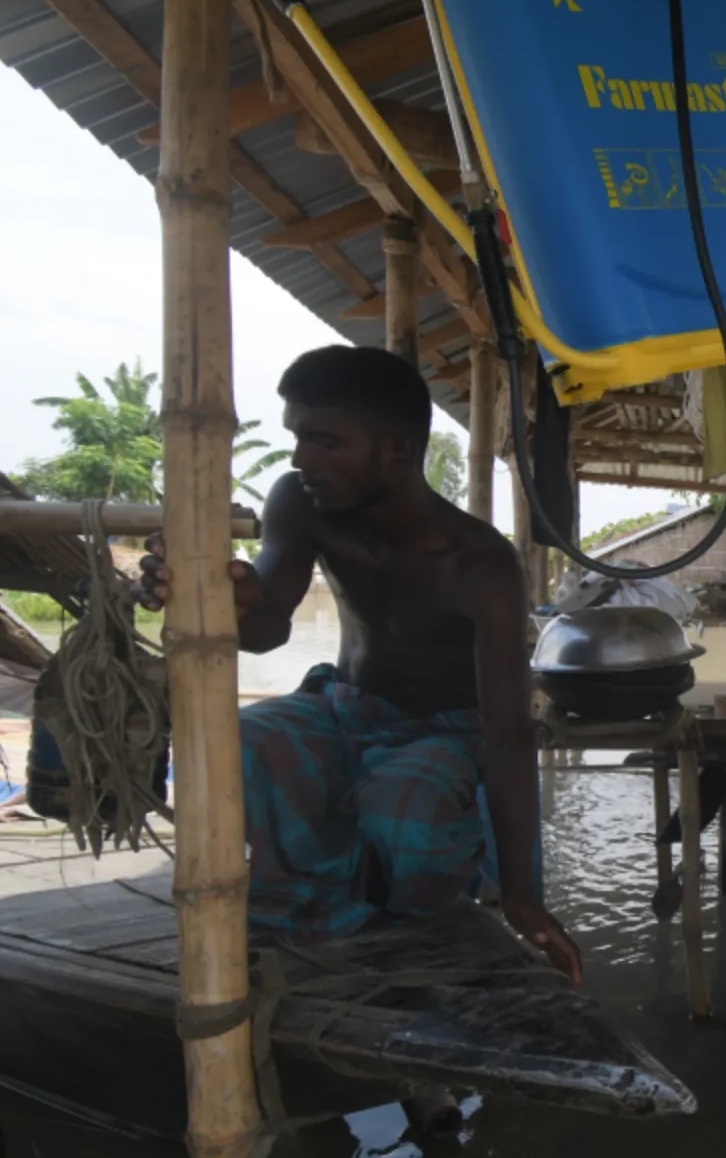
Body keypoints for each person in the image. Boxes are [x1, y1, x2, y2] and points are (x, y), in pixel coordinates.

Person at [140, 345, 580, 978]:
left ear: (396, 450)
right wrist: (228, 598)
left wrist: (522, 896)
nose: (299, 460)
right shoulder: (301, 503)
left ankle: (405, 920)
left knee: (405, 811)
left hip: (442, 731)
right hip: (343, 709)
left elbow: (508, 733)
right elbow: (266, 631)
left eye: (325, 442)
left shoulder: (479, 564)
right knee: (239, 743)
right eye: (297, 436)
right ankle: (310, 910)